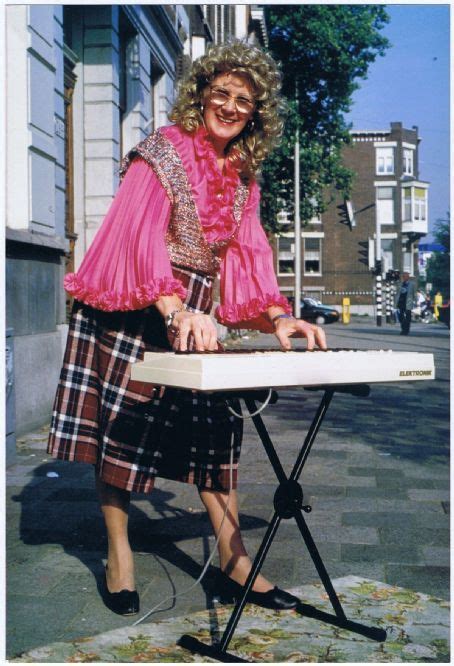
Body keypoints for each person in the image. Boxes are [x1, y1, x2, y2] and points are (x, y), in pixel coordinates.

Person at [47, 40, 327, 617]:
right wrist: (175, 311)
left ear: (256, 113)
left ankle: (234, 563)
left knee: (216, 435)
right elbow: (139, 239)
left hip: (195, 310)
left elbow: (249, 256)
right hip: (134, 301)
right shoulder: (162, 149)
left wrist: (280, 316)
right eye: (221, 93)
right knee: (122, 437)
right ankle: (119, 554)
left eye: (243, 100)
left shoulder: (243, 176)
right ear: (201, 95)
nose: (230, 106)